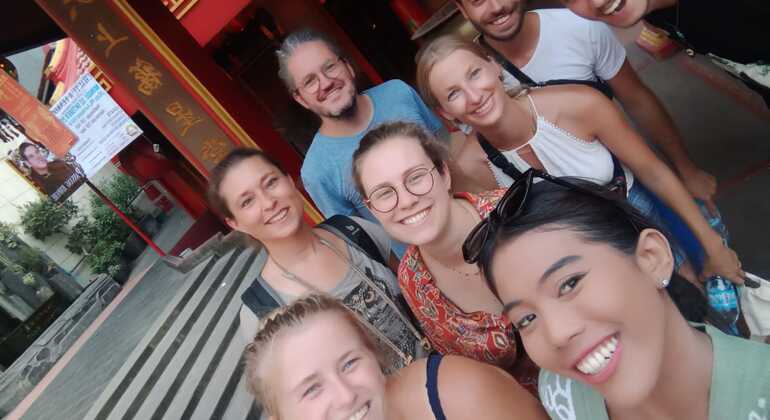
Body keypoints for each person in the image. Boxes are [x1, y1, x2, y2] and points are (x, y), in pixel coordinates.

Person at [415, 35, 745, 284]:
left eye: (474, 74)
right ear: (446, 114)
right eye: (454, 93)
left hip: (641, 217)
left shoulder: (578, 104)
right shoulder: (471, 169)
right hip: (581, 262)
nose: (474, 96)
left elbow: (653, 171)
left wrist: (713, 245)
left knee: (693, 302)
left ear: (494, 66)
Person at [466, 171, 770, 419]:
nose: (557, 334)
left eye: (569, 284)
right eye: (527, 319)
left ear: (652, 258)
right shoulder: (560, 391)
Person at [451, 0, 719, 209]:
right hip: (573, 207)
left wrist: (687, 170)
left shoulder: (579, 28)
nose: (496, 6)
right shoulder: (470, 84)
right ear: (462, 10)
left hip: (630, 165)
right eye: (478, 1)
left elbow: (637, 99)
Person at [351, 121, 539, 392]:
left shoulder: (520, 211)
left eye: (415, 177)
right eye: (384, 193)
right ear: (372, 210)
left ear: (443, 174)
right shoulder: (413, 280)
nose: (406, 201)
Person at [207, 148, 429, 371]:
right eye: (247, 201)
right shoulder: (261, 312)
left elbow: (419, 293)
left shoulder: (353, 230)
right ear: (235, 224)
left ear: (289, 180)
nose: (268, 202)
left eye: (271, 182)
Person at [243, 293, 548, 420]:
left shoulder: (456, 392)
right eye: (311, 388)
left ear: (374, 355)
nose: (346, 396)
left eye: (349, 363)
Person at [278, 28, 446, 257]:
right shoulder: (317, 171)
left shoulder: (398, 93)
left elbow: (448, 154)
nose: (325, 83)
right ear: (301, 99)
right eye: (310, 81)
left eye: (329, 67)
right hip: (424, 264)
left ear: (347, 66)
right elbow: (362, 242)